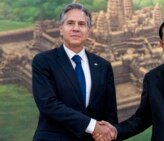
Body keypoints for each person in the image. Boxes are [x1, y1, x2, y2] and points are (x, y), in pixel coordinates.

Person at [32, 3, 118, 141]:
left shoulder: (103, 66)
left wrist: (109, 132)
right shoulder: (43, 61)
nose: (76, 28)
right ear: (61, 29)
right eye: (70, 23)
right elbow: (48, 104)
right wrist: (92, 125)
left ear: (89, 31)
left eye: (82, 24)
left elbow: (110, 114)